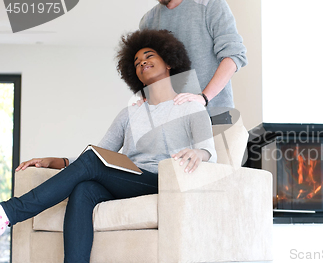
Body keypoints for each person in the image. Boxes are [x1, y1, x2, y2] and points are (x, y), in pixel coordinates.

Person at [0, 29, 216, 263]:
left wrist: (197, 153)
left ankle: (10, 211)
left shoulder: (190, 106)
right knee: (84, 189)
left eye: (149, 55)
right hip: (129, 179)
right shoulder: (129, 114)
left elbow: (209, 153)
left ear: (169, 61)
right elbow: (100, 155)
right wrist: (58, 162)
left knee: (91, 165)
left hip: (162, 180)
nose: (142, 62)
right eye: (136, 62)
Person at [140, 0, 248, 124]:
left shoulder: (211, 4)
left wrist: (204, 97)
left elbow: (233, 55)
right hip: (173, 124)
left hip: (215, 117)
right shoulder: (148, 21)